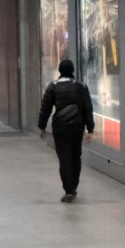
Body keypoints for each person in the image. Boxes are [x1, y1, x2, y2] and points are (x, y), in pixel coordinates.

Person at [37, 59, 93, 202]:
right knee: (76, 156)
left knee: (64, 158)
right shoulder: (81, 86)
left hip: (60, 127)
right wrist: (90, 129)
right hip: (77, 127)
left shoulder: (53, 87)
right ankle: (74, 185)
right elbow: (87, 108)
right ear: (72, 70)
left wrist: (42, 126)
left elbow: (45, 108)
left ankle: (68, 189)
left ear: (60, 71)